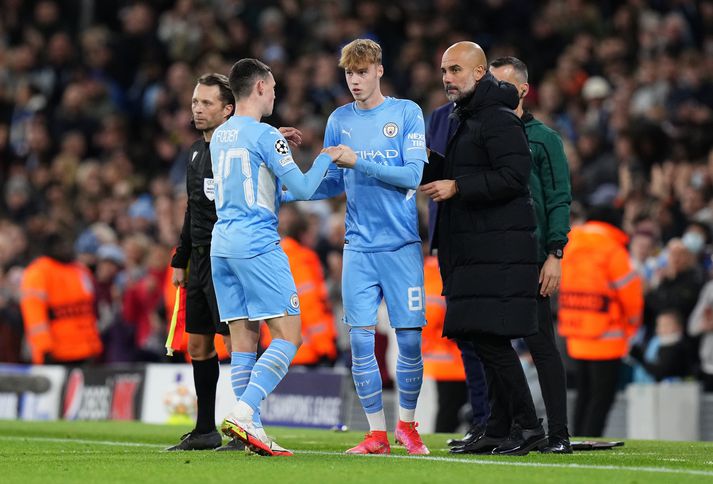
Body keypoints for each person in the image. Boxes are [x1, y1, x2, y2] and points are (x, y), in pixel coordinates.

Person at [291, 39, 430, 455]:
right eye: (349, 73)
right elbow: (336, 181)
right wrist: (286, 190)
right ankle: (376, 434)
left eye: (363, 72)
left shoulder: (406, 113)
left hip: (401, 245)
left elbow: (411, 176)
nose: (355, 80)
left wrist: (358, 162)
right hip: (359, 248)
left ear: (379, 71)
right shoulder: (338, 120)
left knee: (408, 342)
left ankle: (407, 425)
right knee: (361, 342)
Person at [212, 58, 344, 457]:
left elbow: (263, 186)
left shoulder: (220, 135)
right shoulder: (267, 136)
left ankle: (250, 430)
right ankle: (244, 412)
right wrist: (328, 156)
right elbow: (302, 189)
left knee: (244, 343)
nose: (275, 94)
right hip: (256, 243)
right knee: (289, 336)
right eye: (271, 88)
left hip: (223, 244)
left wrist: (276, 144)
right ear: (258, 88)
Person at [420, 41, 545, 456]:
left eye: (455, 70)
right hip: (473, 248)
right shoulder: (465, 117)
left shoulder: (496, 118)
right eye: (443, 71)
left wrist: (459, 186)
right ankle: (495, 426)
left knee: (490, 339)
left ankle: (528, 426)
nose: (447, 79)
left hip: (497, 249)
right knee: (477, 337)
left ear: (479, 74)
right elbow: (465, 170)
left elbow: (514, 176)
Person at [489, 56, 573, 453]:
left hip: (533, 255)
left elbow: (558, 199)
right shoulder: (485, 134)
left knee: (541, 346)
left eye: (503, 84)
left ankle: (558, 434)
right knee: (493, 344)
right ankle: (504, 430)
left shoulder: (544, 139)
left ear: (523, 89)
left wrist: (555, 252)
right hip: (496, 257)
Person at [165, 73, 237, 452]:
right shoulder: (195, 151)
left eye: (206, 103)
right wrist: (181, 257)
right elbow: (193, 209)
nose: (198, 108)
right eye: (195, 101)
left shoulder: (236, 149)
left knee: (234, 340)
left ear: (228, 109)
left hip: (227, 257)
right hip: (199, 261)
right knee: (197, 345)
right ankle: (206, 429)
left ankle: (246, 425)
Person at [558, 206, 643, 437]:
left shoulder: (569, 244)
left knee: (583, 393)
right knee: (601, 396)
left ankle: (576, 438)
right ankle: (591, 438)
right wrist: (633, 324)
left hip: (575, 332)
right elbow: (630, 293)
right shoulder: (612, 249)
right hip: (607, 336)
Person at [19, 230, 103, 365]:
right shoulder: (38, 272)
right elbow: (34, 316)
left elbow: (91, 309)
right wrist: (43, 348)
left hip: (87, 349)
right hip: (57, 353)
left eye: (67, 244)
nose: (65, 248)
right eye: (60, 245)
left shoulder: (80, 270)